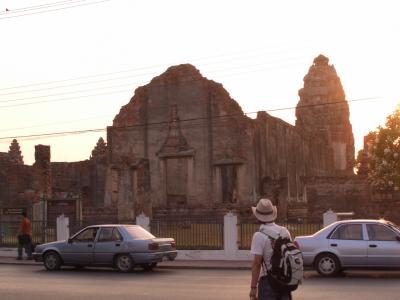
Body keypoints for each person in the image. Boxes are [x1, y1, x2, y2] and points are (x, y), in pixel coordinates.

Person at [249, 198, 292, 300]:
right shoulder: (284, 231)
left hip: (268, 282)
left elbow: (257, 264)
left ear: (258, 216)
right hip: (285, 280)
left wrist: (253, 288)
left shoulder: (259, 235)